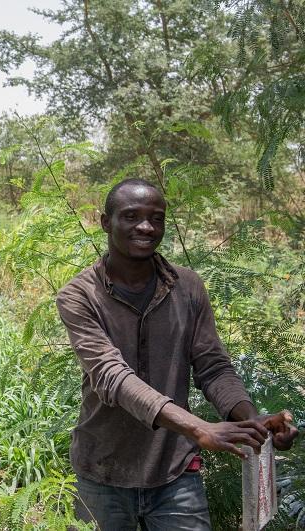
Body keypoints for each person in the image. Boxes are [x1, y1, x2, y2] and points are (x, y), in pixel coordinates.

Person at [55, 178, 299, 530]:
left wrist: (251, 420)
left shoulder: (188, 287)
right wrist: (199, 428)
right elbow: (111, 377)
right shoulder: (79, 296)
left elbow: (213, 366)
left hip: (175, 470)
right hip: (103, 472)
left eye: (156, 218)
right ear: (106, 222)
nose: (146, 226)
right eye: (131, 216)